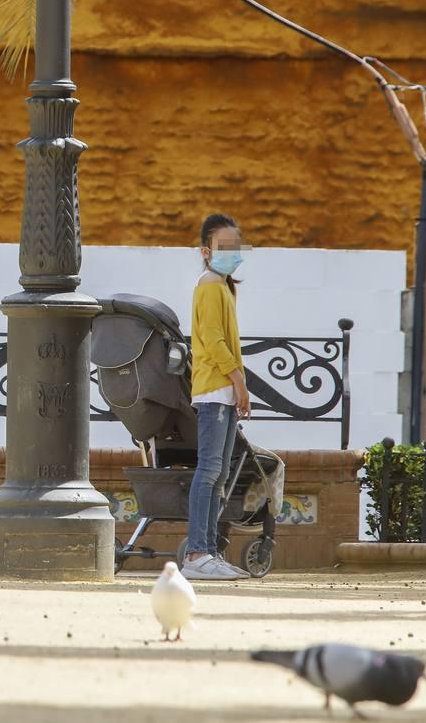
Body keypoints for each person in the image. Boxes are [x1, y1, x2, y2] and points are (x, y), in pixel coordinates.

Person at [183, 213, 252, 581]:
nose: (232, 252)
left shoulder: (222, 285)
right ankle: (196, 552)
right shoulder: (210, 285)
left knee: (219, 473)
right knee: (209, 471)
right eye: (224, 246)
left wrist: (237, 385)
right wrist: (239, 382)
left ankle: (207, 550)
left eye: (235, 246)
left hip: (221, 391)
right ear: (206, 251)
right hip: (214, 390)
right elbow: (213, 341)